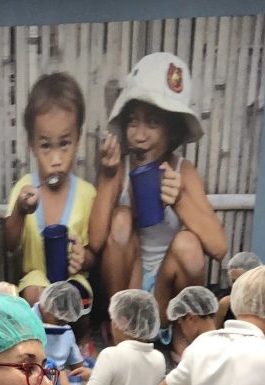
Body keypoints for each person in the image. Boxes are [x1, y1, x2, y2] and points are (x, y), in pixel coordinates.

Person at [88, 53, 227, 356]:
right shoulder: (121, 169)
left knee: (190, 243)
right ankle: (120, 329)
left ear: (173, 131)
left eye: (152, 122)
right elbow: (96, 241)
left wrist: (179, 201)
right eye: (133, 122)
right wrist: (109, 177)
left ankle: (180, 332)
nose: (139, 135)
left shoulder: (183, 171)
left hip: (168, 294)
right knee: (123, 217)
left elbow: (218, 248)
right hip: (129, 285)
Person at [4, 72, 96, 312]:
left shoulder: (87, 194)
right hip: (35, 281)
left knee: (77, 295)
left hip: (72, 281)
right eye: (46, 146)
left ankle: (77, 338)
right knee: (36, 293)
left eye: (64, 144)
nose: (56, 159)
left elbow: (94, 254)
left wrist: (83, 258)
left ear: (77, 140)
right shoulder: (25, 188)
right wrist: (20, 211)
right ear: (33, 146)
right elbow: (9, 244)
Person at [33, 281, 84, 371]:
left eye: (65, 321)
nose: (62, 324)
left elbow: (78, 367)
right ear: (47, 306)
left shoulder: (66, 331)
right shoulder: (24, 323)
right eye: (59, 320)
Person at [214, 251, 262, 328]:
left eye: (242, 281)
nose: (237, 286)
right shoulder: (226, 304)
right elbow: (214, 335)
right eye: (234, 281)